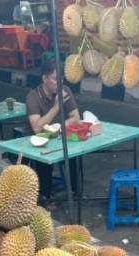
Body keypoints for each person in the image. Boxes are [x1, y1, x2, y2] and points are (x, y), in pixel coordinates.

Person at [26, 59, 80, 204]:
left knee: (73, 154)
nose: (59, 82)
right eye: (55, 79)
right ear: (44, 78)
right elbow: (37, 128)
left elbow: (76, 117)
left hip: (58, 137)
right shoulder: (33, 97)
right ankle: (45, 196)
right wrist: (56, 107)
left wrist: (58, 128)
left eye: (61, 79)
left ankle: (74, 192)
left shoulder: (65, 91)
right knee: (44, 162)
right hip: (39, 141)